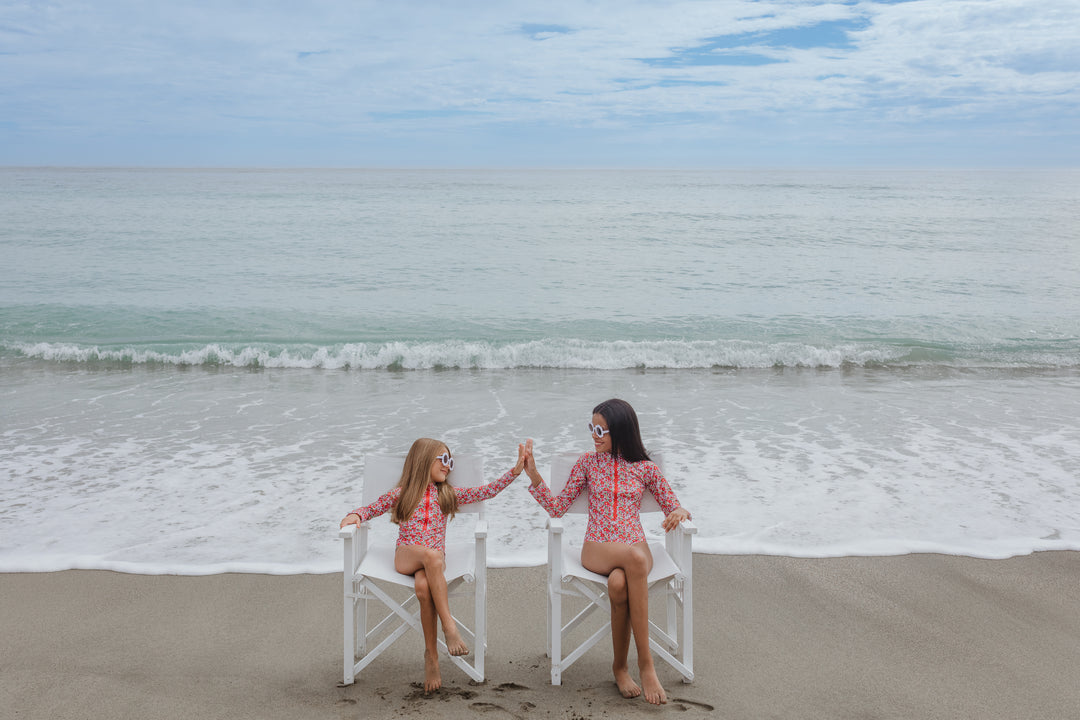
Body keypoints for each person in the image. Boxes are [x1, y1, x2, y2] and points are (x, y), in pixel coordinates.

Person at [523, 399, 691, 705]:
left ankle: (619, 667)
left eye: (601, 429)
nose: (594, 434)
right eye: (592, 427)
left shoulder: (645, 468)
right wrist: (533, 475)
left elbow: (672, 504)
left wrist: (678, 512)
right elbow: (558, 507)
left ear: (621, 431)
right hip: (597, 548)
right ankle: (646, 664)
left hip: (634, 547)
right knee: (635, 559)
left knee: (618, 583)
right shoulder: (588, 463)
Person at [340, 438, 525, 692]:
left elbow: (487, 491)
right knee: (433, 556)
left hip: (432, 565)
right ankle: (449, 626)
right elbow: (373, 508)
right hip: (406, 556)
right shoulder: (403, 493)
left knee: (424, 587)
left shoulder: (447, 494)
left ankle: (431, 657)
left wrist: (515, 472)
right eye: (444, 459)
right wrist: (357, 515)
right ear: (423, 460)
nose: (448, 466)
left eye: (451, 461)